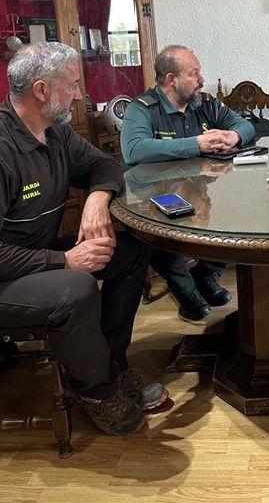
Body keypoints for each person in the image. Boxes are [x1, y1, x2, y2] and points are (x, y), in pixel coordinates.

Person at [0, 42, 167, 436]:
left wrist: (96, 199)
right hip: (6, 274)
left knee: (129, 251)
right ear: (41, 90)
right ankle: (97, 390)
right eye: (72, 85)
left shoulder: (54, 132)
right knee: (75, 288)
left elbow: (106, 165)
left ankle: (114, 365)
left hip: (32, 257)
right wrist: (64, 261)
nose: (79, 95)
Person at [121, 45, 255, 321]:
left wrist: (234, 136)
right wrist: (195, 144)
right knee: (162, 228)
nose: (202, 79)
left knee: (236, 215)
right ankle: (185, 289)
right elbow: (134, 150)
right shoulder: (142, 108)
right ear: (172, 79)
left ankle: (206, 274)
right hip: (156, 193)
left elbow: (245, 125)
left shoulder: (204, 103)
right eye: (194, 74)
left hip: (199, 186)